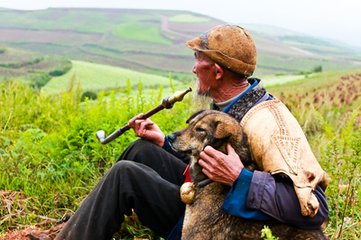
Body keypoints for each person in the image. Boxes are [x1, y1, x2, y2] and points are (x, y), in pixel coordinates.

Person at [55, 25, 328, 240]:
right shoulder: (227, 105)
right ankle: (78, 226)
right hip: (207, 198)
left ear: (217, 71)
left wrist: (240, 178)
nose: (194, 67)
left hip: (222, 225)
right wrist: (163, 142)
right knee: (141, 150)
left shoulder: (269, 123)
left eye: (199, 59)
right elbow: (210, 166)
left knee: (125, 175)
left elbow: (316, 209)